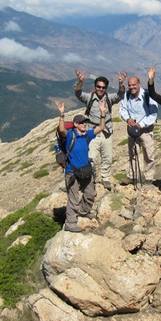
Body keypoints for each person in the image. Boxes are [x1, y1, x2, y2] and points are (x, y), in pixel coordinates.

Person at [55, 99, 107, 232]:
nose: (84, 124)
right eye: (81, 122)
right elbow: (61, 130)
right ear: (75, 124)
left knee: (90, 193)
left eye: (85, 122)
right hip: (72, 172)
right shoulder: (70, 136)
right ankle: (70, 223)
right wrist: (61, 115)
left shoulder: (87, 135)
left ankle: (84, 211)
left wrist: (102, 113)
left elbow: (101, 128)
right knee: (73, 198)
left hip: (86, 170)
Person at [74, 69, 126, 191]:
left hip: (106, 132)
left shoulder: (109, 98)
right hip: (93, 132)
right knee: (91, 157)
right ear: (95, 86)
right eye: (98, 87)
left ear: (106, 88)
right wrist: (80, 81)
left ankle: (106, 178)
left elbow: (120, 95)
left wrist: (120, 84)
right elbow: (78, 94)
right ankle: (91, 178)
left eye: (103, 87)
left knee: (107, 156)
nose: (101, 89)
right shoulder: (90, 97)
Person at [119, 75, 159, 185]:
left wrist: (140, 124)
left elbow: (153, 113)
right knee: (133, 153)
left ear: (139, 84)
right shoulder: (127, 95)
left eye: (134, 85)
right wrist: (128, 119)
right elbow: (123, 109)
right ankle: (133, 177)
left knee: (148, 154)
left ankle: (149, 178)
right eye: (130, 85)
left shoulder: (147, 95)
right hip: (132, 129)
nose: (132, 87)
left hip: (145, 130)